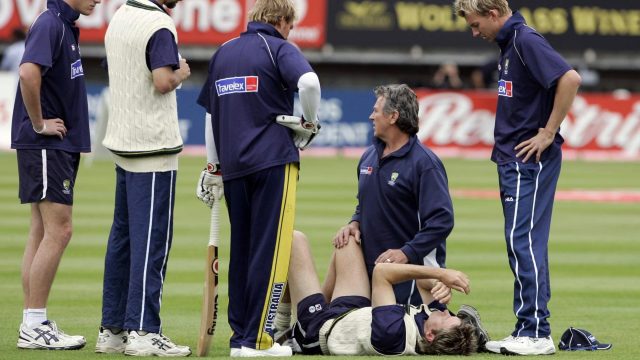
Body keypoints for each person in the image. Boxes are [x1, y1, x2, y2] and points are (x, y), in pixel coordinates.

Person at [454, 0, 582, 355]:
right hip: (515, 160)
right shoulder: (510, 44)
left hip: (528, 160)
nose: (474, 32)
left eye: (476, 24)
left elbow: (570, 79)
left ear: (494, 14)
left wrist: (547, 131)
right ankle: (527, 327)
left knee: (522, 241)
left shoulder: (525, 41)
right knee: (522, 241)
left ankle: (537, 332)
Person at [196, 0, 321, 356]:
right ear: (280, 20)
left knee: (245, 251)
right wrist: (309, 122)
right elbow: (309, 82)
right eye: (290, 25)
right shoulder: (278, 46)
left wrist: (213, 166)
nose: (290, 31)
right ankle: (257, 340)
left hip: (233, 166)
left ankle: (241, 338)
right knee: (270, 251)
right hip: (272, 162)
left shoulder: (224, 52)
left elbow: (210, 115)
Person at [96, 0, 191, 356]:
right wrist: (181, 70)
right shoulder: (158, 24)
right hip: (151, 148)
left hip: (123, 143)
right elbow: (163, 80)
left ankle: (113, 330)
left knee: (122, 242)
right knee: (151, 244)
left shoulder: (119, 16)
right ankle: (144, 331)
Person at [10, 0, 100, 351]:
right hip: (47, 145)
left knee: (41, 229)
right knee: (60, 230)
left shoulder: (63, 24)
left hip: (53, 146)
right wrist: (38, 124)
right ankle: (34, 323)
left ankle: (32, 323)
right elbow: (27, 72)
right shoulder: (50, 23)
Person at [334, 84, 454, 306]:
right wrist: (355, 222)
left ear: (393, 116)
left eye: (376, 110)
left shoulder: (425, 164)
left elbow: (441, 221)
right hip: (372, 273)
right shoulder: (368, 157)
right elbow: (365, 204)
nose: (371, 116)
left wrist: (406, 253)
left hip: (411, 278)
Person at [285, 230, 479, 356]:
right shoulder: (431, 322)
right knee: (349, 241)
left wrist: (441, 273)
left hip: (317, 330)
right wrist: (438, 283)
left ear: (430, 335)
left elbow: (382, 272)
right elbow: (422, 282)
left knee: (293, 239)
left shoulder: (393, 333)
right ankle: (315, 303)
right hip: (351, 314)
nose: (447, 312)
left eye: (446, 319)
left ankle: (282, 325)